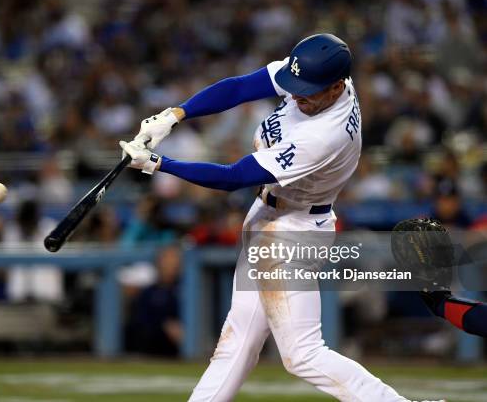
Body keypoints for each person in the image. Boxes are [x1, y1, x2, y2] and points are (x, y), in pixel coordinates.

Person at [120, 34, 444, 402]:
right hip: (272, 217)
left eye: (308, 90)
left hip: (294, 230)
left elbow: (233, 177)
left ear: (337, 86)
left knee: (302, 353)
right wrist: (174, 115)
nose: (297, 95)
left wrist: (159, 164)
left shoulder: (326, 134)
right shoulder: (323, 76)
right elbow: (241, 87)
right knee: (238, 339)